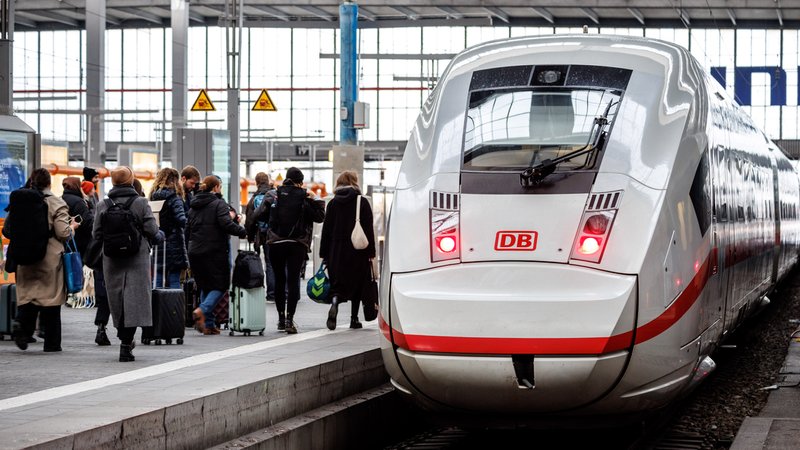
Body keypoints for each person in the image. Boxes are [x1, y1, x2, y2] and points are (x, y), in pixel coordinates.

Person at [93, 166, 162, 362]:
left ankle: (122, 334)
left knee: (117, 300)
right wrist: (158, 236)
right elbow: (151, 229)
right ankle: (126, 343)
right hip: (136, 258)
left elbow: (96, 234)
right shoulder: (140, 202)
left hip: (112, 259)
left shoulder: (103, 204)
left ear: (113, 182)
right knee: (135, 300)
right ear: (131, 180)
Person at [7, 168, 79, 352]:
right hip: (49, 259)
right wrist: (73, 227)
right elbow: (62, 232)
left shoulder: (21, 202)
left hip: (24, 257)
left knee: (29, 297)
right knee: (51, 300)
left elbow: (7, 230)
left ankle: (22, 327)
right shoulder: (56, 203)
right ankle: (51, 343)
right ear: (49, 183)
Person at [252, 167, 324, 334]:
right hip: (297, 244)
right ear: (300, 182)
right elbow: (320, 216)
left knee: (279, 280)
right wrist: (315, 198)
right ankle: (290, 319)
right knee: (293, 281)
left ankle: (280, 319)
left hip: (275, 243)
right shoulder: (304, 196)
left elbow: (257, 215)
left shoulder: (273, 195)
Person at [187, 175, 247, 335]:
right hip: (214, 251)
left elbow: (187, 230)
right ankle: (202, 310)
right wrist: (243, 232)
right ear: (215, 188)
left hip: (195, 252)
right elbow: (226, 224)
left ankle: (209, 324)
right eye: (219, 187)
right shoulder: (218, 204)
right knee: (221, 286)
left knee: (205, 285)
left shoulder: (193, 206)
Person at [319, 171, 376, 330]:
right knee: (357, 283)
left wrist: (324, 254)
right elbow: (368, 230)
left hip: (336, 251)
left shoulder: (332, 203)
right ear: (354, 182)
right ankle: (354, 319)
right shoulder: (362, 202)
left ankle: (335, 301)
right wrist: (371, 253)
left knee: (337, 284)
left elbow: (326, 231)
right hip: (357, 251)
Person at [149, 168, 188, 289]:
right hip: (174, 242)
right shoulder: (174, 198)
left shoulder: (153, 197)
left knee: (158, 275)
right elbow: (181, 220)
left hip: (158, 240)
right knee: (174, 277)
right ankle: (173, 307)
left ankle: (158, 306)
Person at [245, 172, 277, 302]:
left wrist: (250, 236)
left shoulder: (254, 199)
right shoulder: (274, 195)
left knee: (264, 263)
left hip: (261, 234)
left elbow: (250, 220)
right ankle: (275, 292)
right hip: (274, 233)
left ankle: (268, 293)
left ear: (256, 183)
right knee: (274, 263)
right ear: (268, 181)